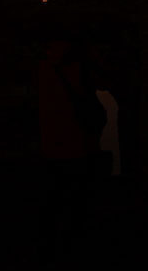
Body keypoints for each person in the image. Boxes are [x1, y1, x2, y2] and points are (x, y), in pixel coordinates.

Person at [36, 31, 108, 266]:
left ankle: (52, 249)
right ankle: (76, 247)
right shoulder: (83, 66)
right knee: (77, 201)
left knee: (53, 202)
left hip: (51, 145)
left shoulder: (42, 68)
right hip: (79, 145)